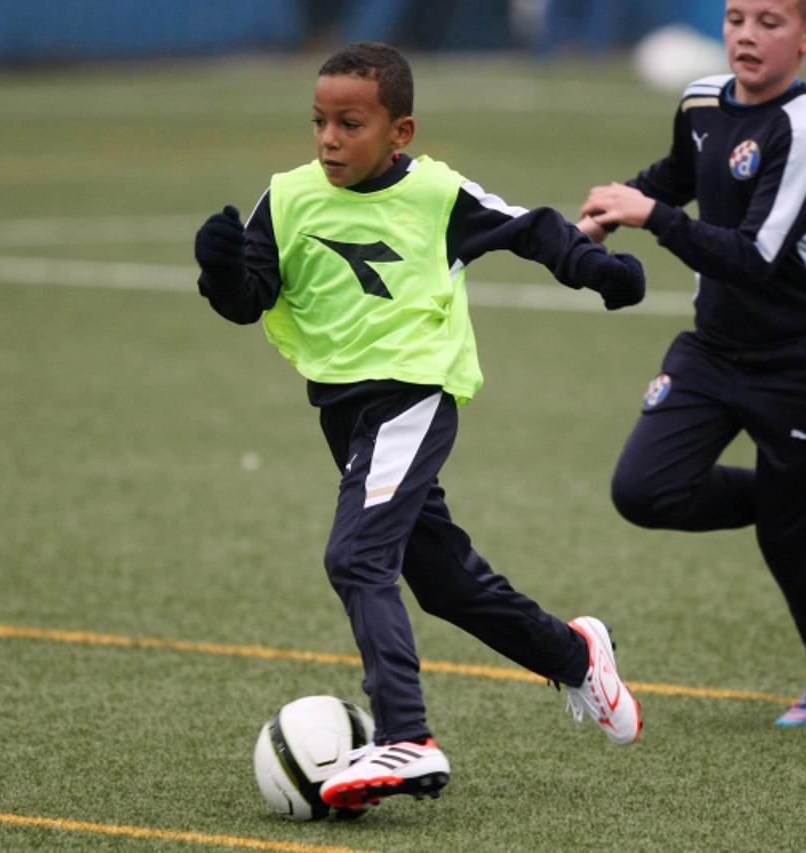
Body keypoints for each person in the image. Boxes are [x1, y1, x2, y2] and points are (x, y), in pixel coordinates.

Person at [193, 42, 644, 810]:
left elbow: (528, 227)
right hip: (344, 414)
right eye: (318, 122)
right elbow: (251, 298)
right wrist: (222, 273)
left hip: (414, 395)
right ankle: (574, 654)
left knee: (356, 556)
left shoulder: (436, 194)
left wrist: (592, 269)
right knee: (440, 581)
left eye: (350, 123)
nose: (329, 139)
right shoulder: (288, 198)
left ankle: (406, 734)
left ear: (399, 132)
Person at [576, 0, 806, 726]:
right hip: (713, 347)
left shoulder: (801, 130)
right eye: (735, 17)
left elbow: (753, 258)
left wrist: (654, 218)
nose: (746, 34)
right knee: (642, 489)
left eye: (769, 22)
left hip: (803, 363)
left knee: (791, 545)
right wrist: (619, 203)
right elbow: (679, 172)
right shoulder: (700, 98)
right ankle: (796, 504)